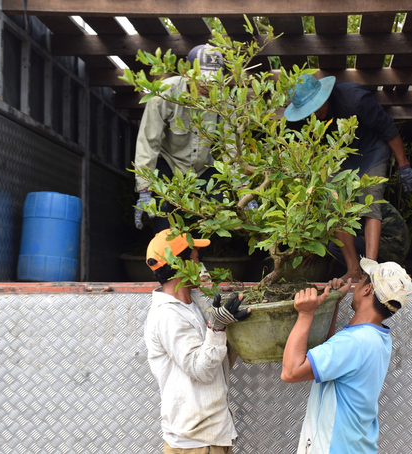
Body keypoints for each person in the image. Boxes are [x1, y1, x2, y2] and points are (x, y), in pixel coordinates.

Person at [284, 75, 412, 282]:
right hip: (338, 159)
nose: (314, 112)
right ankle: (354, 269)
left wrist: (404, 165)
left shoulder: (354, 99)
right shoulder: (305, 121)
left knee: (369, 201)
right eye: (309, 110)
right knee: (333, 204)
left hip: (372, 151)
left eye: (317, 106)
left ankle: (370, 270)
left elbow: (388, 130)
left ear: (325, 94)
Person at [281, 258, 412, 454]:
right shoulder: (377, 336)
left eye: (361, 279)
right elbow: (334, 356)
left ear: (367, 290)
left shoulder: (355, 342)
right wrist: (334, 303)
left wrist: (306, 314)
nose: (356, 284)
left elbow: (291, 372)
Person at [144, 229, 251, 453]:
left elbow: (219, 360)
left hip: (212, 434)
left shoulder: (192, 303)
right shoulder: (168, 315)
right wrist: (216, 326)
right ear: (179, 265)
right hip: (195, 443)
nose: (200, 264)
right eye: (195, 258)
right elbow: (201, 370)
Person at [134, 44, 224, 234]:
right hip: (169, 165)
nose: (208, 87)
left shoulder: (224, 101)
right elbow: (148, 142)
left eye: (213, 82)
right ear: (189, 73)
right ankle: (167, 263)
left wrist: (246, 191)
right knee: (165, 224)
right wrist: (144, 189)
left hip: (202, 169)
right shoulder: (164, 93)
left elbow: (232, 147)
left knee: (209, 223)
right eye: (203, 81)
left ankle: (197, 262)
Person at [327, 201, 411, 269]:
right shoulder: (368, 198)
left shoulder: (355, 204)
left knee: (336, 246)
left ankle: (366, 274)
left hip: (392, 245)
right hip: (399, 247)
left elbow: (345, 235)